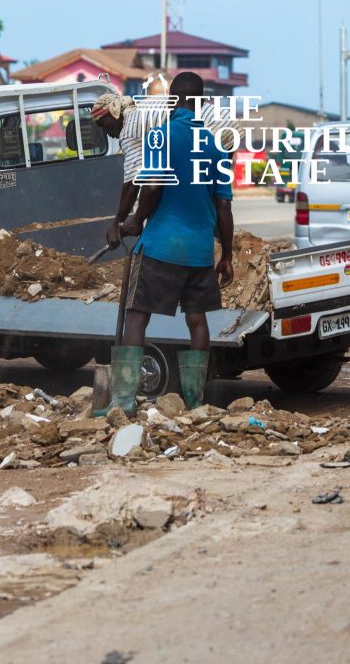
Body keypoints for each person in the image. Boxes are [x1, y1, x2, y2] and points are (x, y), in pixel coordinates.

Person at [97, 71, 235, 413]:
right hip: (200, 251)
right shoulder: (216, 147)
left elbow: (153, 185)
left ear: (172, 100)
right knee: (197, 320)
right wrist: (227, 256)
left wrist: (134, 221)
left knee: (137, 316)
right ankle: (195, 401)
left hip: (161, 246)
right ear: (201, 103)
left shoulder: (160, 136)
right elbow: (224, 207)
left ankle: (124, 403)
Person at [91, 85, 240, 249]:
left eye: (102, 124)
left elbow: (132, 184)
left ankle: (207, 241)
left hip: (214, 126)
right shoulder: (138, 114)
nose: (105, 131)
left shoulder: (130, 129)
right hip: (227, 123)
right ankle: (217, 241)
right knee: (207, 192)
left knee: (191, 192)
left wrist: (117, 223)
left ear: (113, 113)